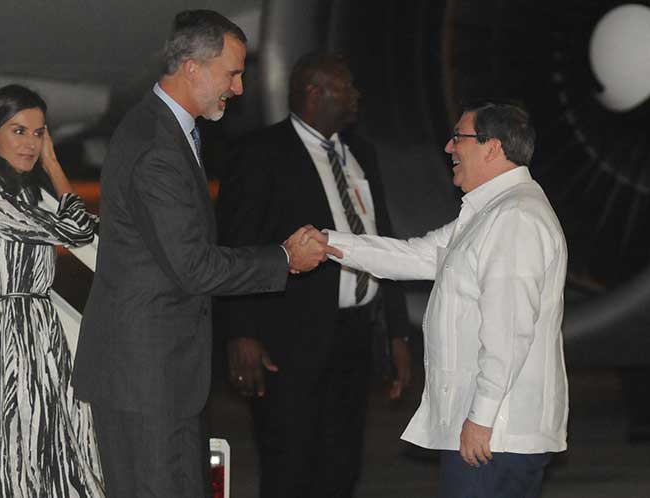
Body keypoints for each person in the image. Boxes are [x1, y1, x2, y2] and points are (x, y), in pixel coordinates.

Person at [71, 10, 335, 498]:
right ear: (192, 67)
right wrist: (284, 258)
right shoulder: (157, 146)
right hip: (146, 380)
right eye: (232, 73)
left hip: (163, 374)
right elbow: (193, 265)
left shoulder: (167, 131)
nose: (238, 88)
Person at [306, 102, 569, 498]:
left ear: (492, 148)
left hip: (497, 434)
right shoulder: (489, 213)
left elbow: (509, 331)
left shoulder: (515, 218)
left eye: (458, 138)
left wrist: (481, 418)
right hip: (490, 433)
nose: (448, 147)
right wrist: (329, 244)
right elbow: (416, 255)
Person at [216, 52, 412, 498]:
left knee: (341, 464)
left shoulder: (361, 153)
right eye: (346, 88)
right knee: (289, 464)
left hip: (354, 335)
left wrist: (397, 332)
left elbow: (383, 240)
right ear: (313, 92)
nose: (356, 97)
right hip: (289, 338)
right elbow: (237, 247)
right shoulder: (261, 153)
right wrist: (240, 333)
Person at [0, 84, 104, 498]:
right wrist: (55, 166)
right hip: (13, 333)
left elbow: (79, 226)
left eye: (39, 133)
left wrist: (51, 168)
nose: (32, 143)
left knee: (60, 443)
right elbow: (77, 228)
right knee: (20, 448)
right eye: (19, 131)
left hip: (41, 325)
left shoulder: (20, 193)